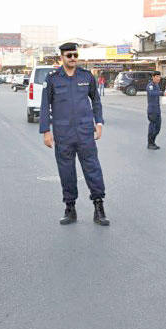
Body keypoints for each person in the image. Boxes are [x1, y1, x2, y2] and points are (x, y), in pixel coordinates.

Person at [40, 42, 109, 226]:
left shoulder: (86, 76)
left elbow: (96, 100)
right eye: (69, 55)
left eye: (75, 55)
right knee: (66, 171)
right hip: (63, 133)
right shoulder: (53, 78)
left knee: (93, 169)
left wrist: (99, 122)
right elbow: (45, 105)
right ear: (61, 57)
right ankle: (70, 208)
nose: (73, 59)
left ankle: (99, 207)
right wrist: (46, 131)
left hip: (85, 132)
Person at [146, 71, 163, 150]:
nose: (158, 78)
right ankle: (150, 143)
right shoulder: (150, 85)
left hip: (157, 109)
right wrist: (161, 93)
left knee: (158, 127)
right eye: (157, 77)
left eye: (159, 77)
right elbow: (152, 93)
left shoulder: (157, 85)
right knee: (152, 127)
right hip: (152, 110)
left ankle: (153, 142)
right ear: (153, 77)